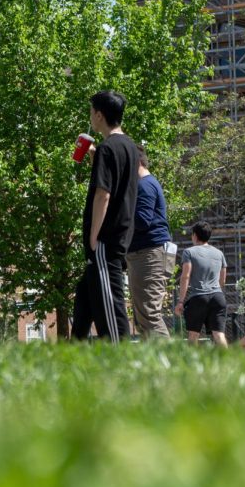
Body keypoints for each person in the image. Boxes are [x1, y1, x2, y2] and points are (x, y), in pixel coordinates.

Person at [70, 91, 139, 343]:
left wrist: (93, 236)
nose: (90, 117)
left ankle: (121, 362)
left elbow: (104, 195)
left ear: (99, 115)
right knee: (85, 298)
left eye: (91, 112)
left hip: (106, 240)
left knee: (111, 305)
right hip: (120, 233)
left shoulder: (107, 149)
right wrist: (94, 157)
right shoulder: (129, 147)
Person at [126, 146, 172, 340]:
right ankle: (156, 365)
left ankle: (172, 366)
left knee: (149, 315)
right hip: (144, 254)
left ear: (136, 162)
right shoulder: (145, 184)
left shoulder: (145, 185)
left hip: (149, 255)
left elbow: (142, 221)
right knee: (142, 317)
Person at [175, 222, 228, 348]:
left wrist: (181, 301)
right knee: (219, 335)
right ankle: (231, 364)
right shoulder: (219, 253)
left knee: (193, 335)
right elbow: (223, 280)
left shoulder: (189, 252)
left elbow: (186, 276)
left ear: (194, 235)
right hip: (218, 297)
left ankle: (192, 365)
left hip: (198, 298)